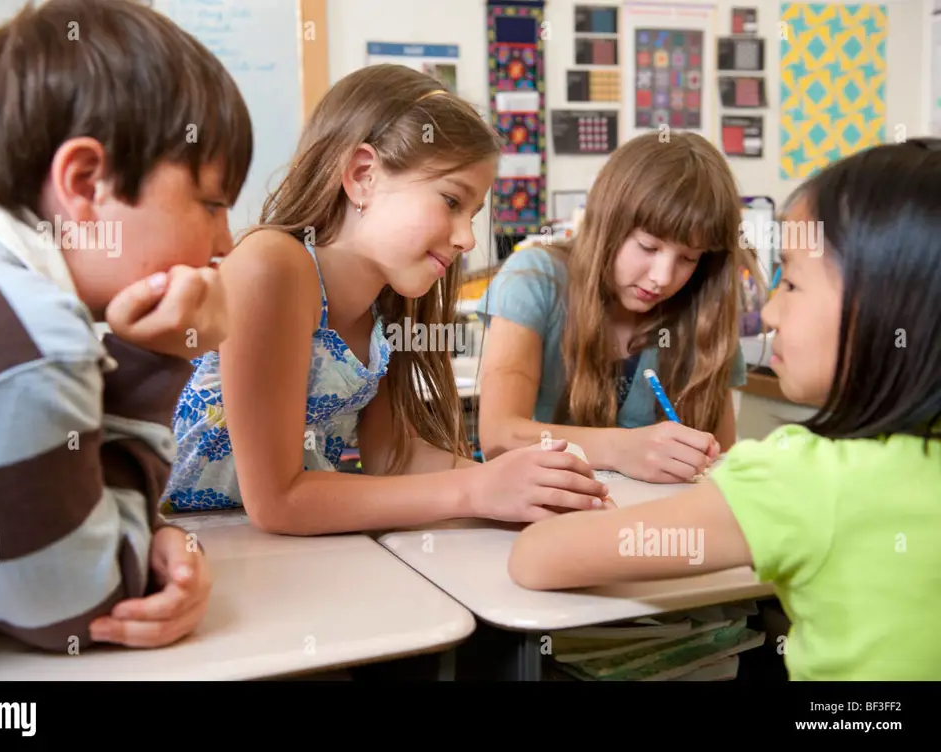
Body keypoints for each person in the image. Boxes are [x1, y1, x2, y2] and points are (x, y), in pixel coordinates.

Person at [508, 140, 941, 680]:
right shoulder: (536, 279)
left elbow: (536, 556)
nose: (773, 309)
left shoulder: (802, 478)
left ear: (882, 307)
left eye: (791, 281)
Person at [0, 0, 252, 650]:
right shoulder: (25, 343)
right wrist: (156, 362)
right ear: (87, 181)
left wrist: (143, 534)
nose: (226, 243)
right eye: (211, 204)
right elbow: (84, 607)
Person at [163, 64, 610, 532]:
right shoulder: (270, 266)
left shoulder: (383, 305)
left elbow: (393, 457)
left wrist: (525, 486)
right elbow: (279, 500)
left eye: (474, 214)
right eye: (452, 202)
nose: (467, 240)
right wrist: (478, 490)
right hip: (188, 550)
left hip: (274, 555)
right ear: (363, 176)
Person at [476, 131, 760, 484]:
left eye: (688, 258)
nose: (662, 277)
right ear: (608, 224)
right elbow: (499, 435)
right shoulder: (535, 278)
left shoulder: (704, 310)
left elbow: (721, 461)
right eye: (648, 246)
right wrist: (621, 448)